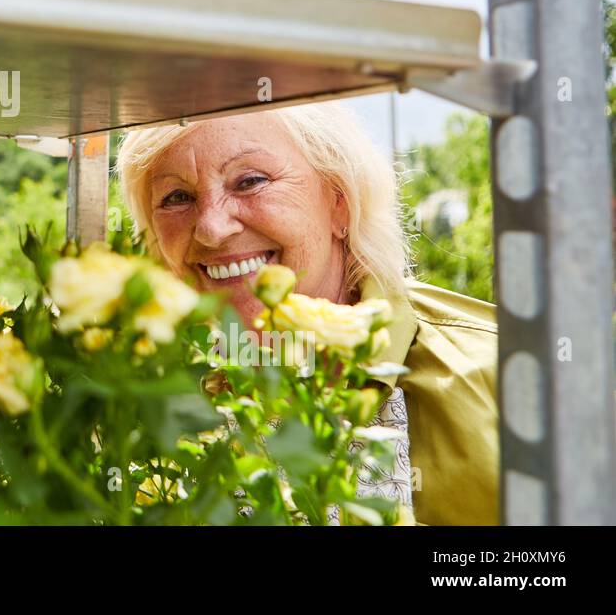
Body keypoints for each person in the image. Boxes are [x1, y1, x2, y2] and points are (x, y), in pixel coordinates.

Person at [116, 103, 499, 525]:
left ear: (339, 202)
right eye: (177, 198)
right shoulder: (135, 403)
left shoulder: (495, 373)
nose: (211, 227)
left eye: (249, 181)